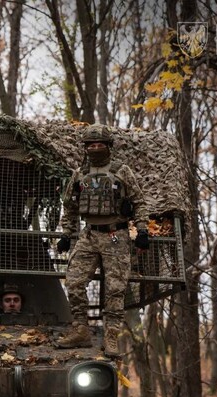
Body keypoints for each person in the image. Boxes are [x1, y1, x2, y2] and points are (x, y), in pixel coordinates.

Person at [55, 124, 150, 357]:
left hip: (115, 236)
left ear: (109, 146)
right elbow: (69, 206)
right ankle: (81, 330)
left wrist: (142, 230)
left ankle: (111, 336)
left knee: (115, 289)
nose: (95, 148)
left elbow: (139, 202)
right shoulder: (80, 174)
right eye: (91, 144)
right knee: (74, 282)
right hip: (89, 235)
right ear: (85, 147)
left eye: (100, 144)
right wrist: (67, 233)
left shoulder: (122, 171)